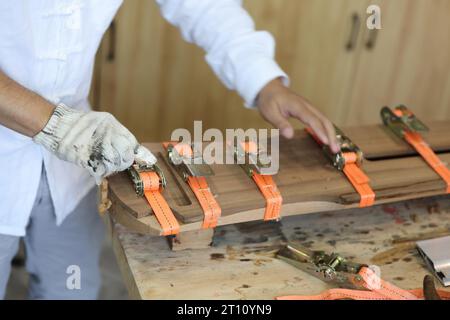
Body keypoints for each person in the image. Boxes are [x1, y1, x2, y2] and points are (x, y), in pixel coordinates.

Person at [0, 0, 339, 299]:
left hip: (71, 166)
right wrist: (61, 127)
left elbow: (203, 4)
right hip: (32, 146)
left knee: (72, 290)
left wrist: (263, 81)